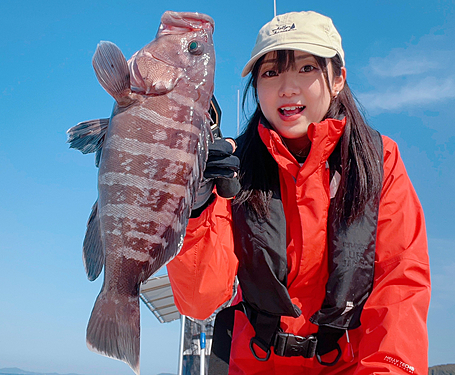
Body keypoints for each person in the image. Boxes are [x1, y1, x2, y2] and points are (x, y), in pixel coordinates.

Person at [167, 10, 430, 375]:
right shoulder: (231, 168)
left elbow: (400, 284)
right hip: (253, 364)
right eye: (271, 72)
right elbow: (198, 301)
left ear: (338, 78)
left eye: (306, 68)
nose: (287, 87)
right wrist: (197, 209)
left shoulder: (380, 159)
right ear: (256, 87)